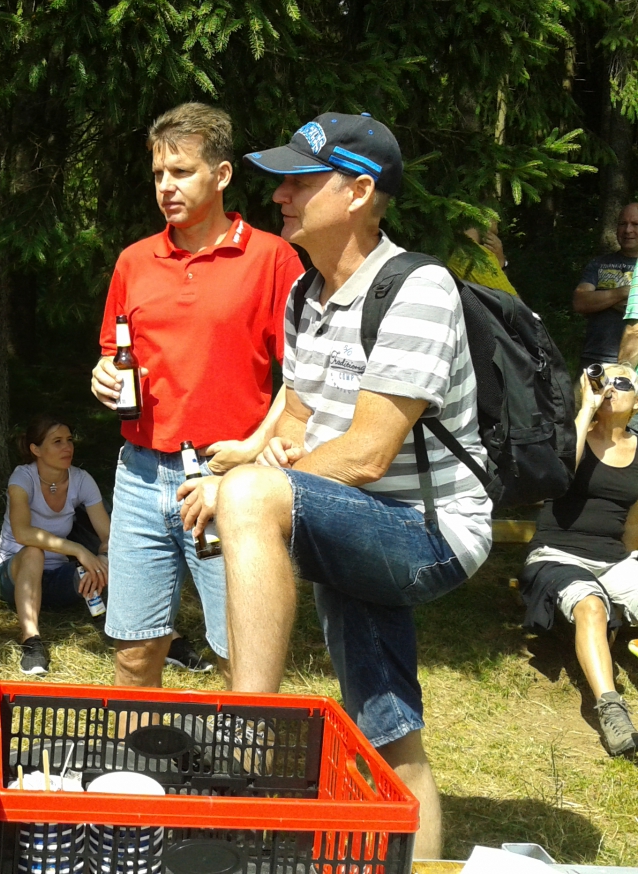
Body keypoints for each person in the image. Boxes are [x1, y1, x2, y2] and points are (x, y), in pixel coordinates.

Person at [196, 112, 492, 858]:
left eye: (300, 181)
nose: (280, 196)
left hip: (427, 534)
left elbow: (365, 454)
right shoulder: (306, 295)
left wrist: (248, 484)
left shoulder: (417, 287)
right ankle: (421, 865)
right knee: (389, 736)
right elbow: (297, 423)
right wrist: (260, 454)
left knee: (250, 495)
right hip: (353, 521)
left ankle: (249, 736)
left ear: (359, 192)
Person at [90, 102, 304, 688]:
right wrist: (103, 374)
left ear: (222, 174)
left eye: (181, 172)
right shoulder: (135, 261)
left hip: (225, 480)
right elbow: (114, 352)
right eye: (159, 173)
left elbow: (302, 377)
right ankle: (140, 750)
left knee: (241, 654)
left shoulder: (272, 258)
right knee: (135, 652)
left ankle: (245, 751)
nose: (166, 186)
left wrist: (255, 450)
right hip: (139, 475)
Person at [520, 364, 638, 757]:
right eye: (605, 381)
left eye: (623, 382)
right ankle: (612, 710)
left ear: (637, 401)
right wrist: (586, 407)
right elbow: (556, 474)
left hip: (613, 560)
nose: (612, 388)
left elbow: (634, 524)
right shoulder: (573, 435)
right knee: (590, 606)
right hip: (557, 554)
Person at [0, 416, 110, 675]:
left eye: (69, 440)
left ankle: (118, 628)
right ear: (36, 449)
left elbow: (108, 536)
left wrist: (103, 559)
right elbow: (23, 533)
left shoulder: (81, 479)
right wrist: (78, 550)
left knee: (101, 565)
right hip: (12, 574)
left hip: (56, 577)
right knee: (34, 552)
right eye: (57, 442)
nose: (67, 447)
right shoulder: (22, 477)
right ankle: (31, 642)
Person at [574, 202, 638, 370]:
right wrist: (625, 292)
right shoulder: (599, 264)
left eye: (635, 224)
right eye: (623, 224)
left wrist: (602, 297)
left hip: (633, 361)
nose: (628, 230)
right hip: (595, 358)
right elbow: (581, 301)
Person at [447, 216, 518, 296]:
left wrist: (501, 263)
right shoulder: (475, 257)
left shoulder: (457, 250)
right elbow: (514, 302)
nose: (498, 219)